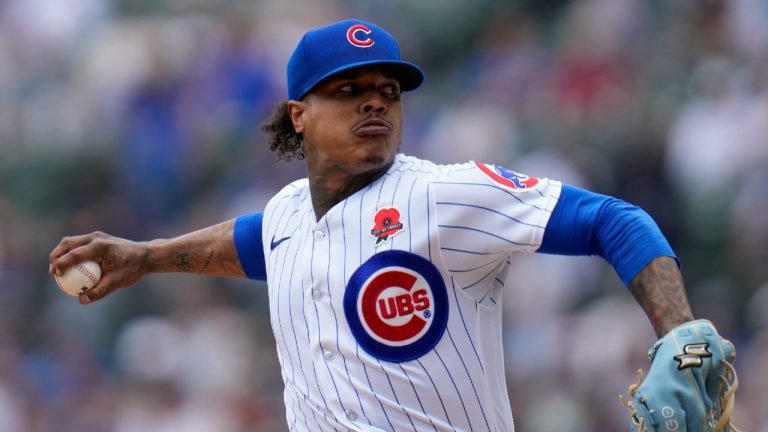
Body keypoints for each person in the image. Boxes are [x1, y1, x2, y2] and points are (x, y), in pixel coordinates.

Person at [49, 19, 737, 432]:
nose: (375, 103)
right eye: (349, 91)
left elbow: (614, 220)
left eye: (386, 91)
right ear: (299, 114)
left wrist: (678, 335)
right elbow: (253, 243)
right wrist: (146, 255)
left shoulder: (444, 196)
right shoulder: (289, 214)